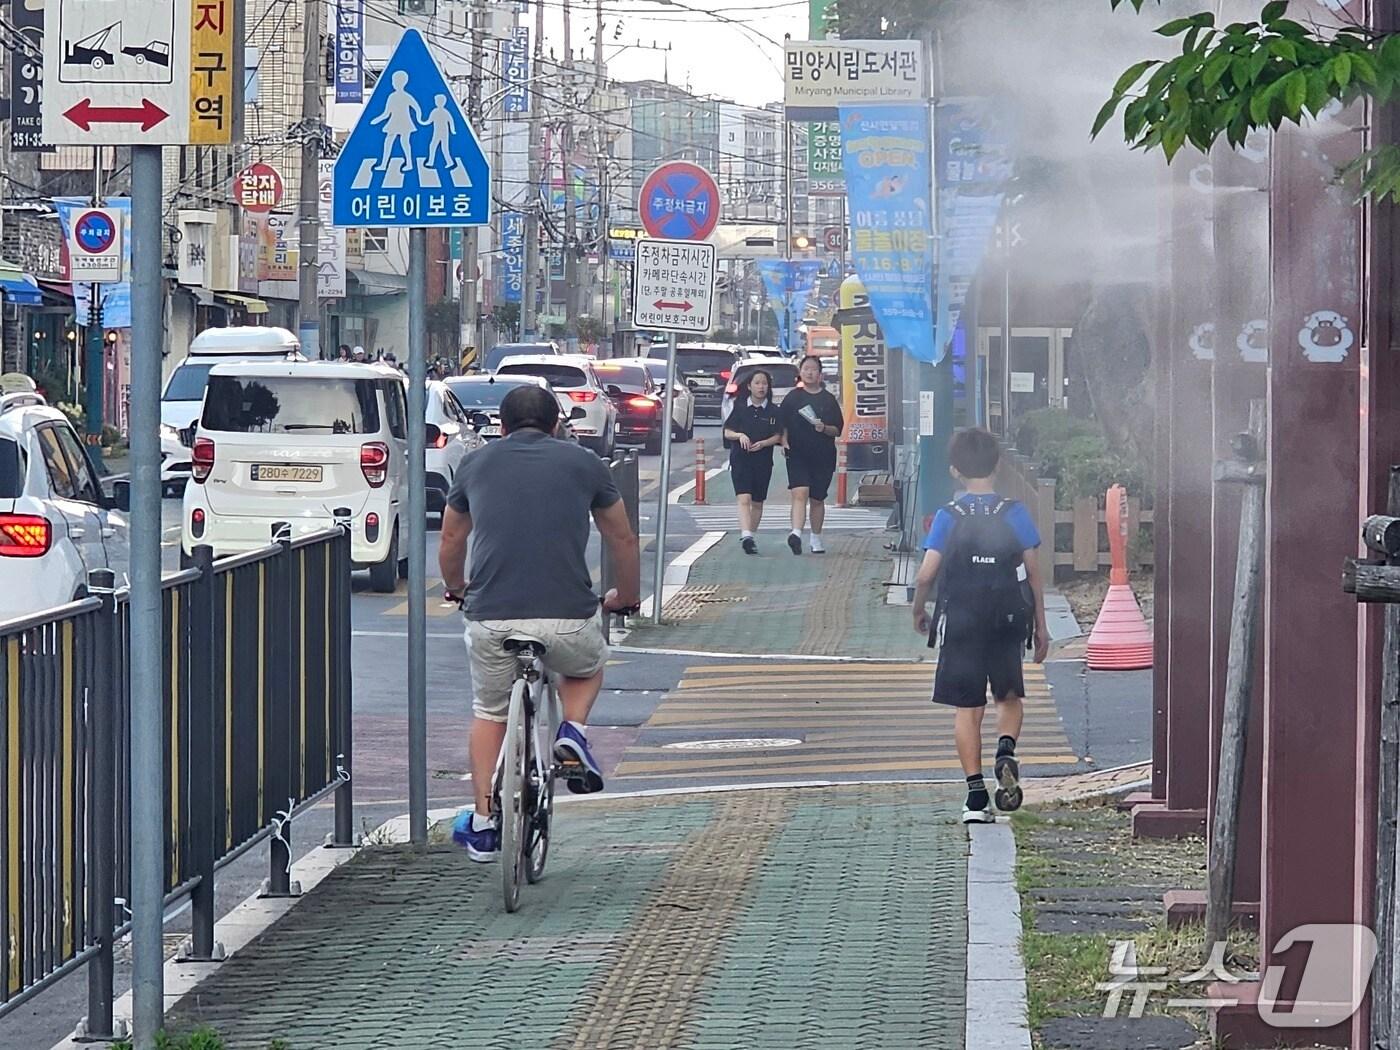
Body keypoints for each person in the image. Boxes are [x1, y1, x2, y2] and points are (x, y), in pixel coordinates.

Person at [438, 384, 641, 861]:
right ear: (556, 426)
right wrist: (626, 597)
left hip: (491, 617)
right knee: (586, 667)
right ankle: (573, 731)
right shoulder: (585, 463)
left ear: (502, 427)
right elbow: (622, 539)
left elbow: (450, 539)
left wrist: (458, 587)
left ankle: (483, 823)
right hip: (568, 615)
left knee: (490, 711)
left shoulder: (475, 463)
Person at [910, 427, 1050, 825]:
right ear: (998, 465)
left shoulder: (948, 516)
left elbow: (926, 574)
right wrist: (1040, 626)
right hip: (1007, 617)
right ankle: (1005, 748)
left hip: (962, 620)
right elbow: (1034, 574)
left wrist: (919, 609)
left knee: (968, 709)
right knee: (1008, 696)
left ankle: (975, 797)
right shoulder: (1014, 512)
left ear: (955, 470)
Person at [779, 355, 844, 555]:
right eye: (805, 368)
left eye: (813, 369)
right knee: (799, 492)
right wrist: (784, 441)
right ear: (800, 372)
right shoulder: (792, 398)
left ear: (820, 374)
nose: (809, 372)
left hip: (823, 455)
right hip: (797, 453)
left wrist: (824, 428)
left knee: (817, 498)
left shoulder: (828, 400)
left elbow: (837, 429)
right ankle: (796, 534)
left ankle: (816, 537)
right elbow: (781, 423)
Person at [722, 369, 782, 555]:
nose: (761, 387)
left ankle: (750, 537)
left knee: (757, 502)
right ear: (749, 386)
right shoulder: (739, 407)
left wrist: (764, 443)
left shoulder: (773, 411)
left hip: (763, 461)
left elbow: (778, 436)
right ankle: (746, 534)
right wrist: (740, 435)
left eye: (764, 383)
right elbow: (727, 431)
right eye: (757, 383)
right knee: (744, 498)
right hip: (741, 459)